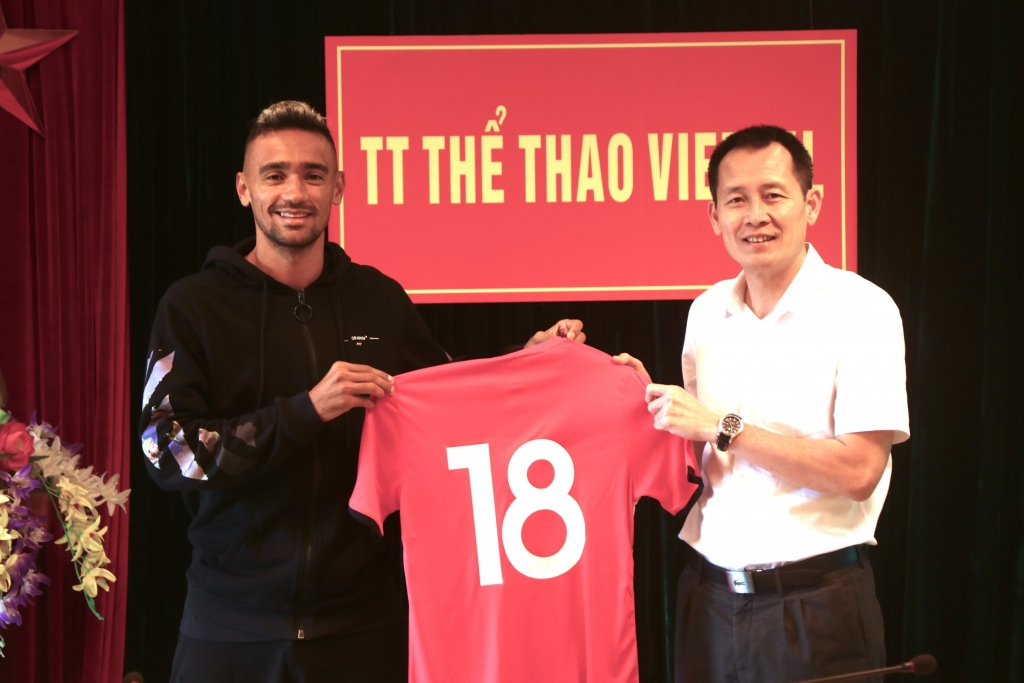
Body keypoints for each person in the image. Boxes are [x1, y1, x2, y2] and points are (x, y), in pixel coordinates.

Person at [139, 100, 584, 683]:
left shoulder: (377, 298)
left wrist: (527, 360)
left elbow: (448, 394)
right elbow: (167, 450)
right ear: (244, 189)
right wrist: (306, 411)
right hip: (229, 627)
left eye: (313, 175)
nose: (294, 192)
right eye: (274, 175)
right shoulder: (193, 306)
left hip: (362, 625)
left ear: (339, 188)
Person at [615, 125, 909, 682]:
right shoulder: (706, 313)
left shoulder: (863, 309)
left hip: (814, 607)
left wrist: (722, 426)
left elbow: (858, 472)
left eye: (773, 195)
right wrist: (637, 400)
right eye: (736, 200)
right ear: (714, 217)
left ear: (811, 203)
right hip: (708, 600)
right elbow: (700, 453)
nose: (756, 216)